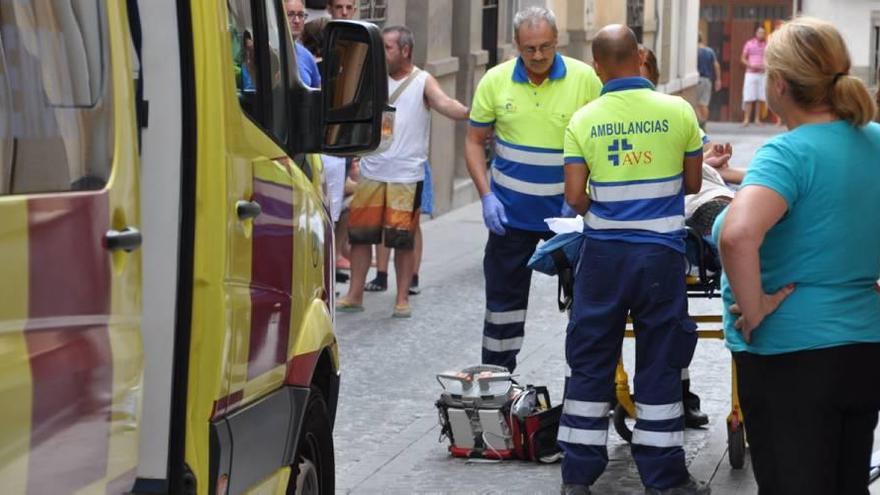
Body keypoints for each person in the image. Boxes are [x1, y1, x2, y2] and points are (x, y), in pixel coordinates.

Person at [714, 17, 880, 494]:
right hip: (862, 349)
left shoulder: (786, 153)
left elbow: (737, 236)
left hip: (792, 356)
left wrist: (756, 304)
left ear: (780, 84)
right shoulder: (872, 140)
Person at [560, 24, 708, 495]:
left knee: (590, 363)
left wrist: (608, 207)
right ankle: (664, 480)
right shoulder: (679, 111)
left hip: (604, 258)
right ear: (641, 56)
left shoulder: (583, 119)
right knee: (660, 363)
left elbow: (574, 196)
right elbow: (692, 184)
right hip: (660, 258)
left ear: (598, 65)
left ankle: (577, 478)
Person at [465, 7, 602, 373]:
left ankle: (587, 384)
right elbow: (474, 141)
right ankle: (497, 383)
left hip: (569, 216)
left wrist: (583, 197)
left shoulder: (585, 79)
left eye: (545, 47)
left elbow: (600, 142)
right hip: (510, 216)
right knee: (502, 308)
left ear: (557, 42)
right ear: (516, 46)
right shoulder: (495, 81)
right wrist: (486, 196)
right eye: (530, 49)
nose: (539, 56)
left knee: (587, 305)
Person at [336, 25, 468, 317]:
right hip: (372, 170)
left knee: (402, 240)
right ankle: (355, 293)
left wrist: (472, 113)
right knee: (360, 236)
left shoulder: (423, 81)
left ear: (405, 50)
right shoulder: (373, 79)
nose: (382, 53)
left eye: (387, 48)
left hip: (406, 175)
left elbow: (445, 104)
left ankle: (402, 298)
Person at [284, 0, 321, 88]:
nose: (297, 21)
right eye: (290, 14)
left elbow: (318, 92)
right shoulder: (267, 52)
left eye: (300, 15)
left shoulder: (307, 56)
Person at [740, 26, 766, 126]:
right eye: (759, 32)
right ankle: (746, 119)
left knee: (760, 97)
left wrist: (765, 66)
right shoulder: (749, 43)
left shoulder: (766, 45)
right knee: (749, 96)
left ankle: (757, 119)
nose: (761, 34)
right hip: (750, 73)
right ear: (756, 33)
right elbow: (742, 58)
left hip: (761, 74)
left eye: (763, 33)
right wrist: (750, 65)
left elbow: (769, 58)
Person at [696, 34, 721, 128]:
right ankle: (704, 123)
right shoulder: (710, 51)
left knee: (697, 104)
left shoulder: (695, 51)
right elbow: (716, 65)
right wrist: (718, 80)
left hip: (697, 80)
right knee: (704, 103)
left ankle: (701, 123)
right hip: (707, 80)